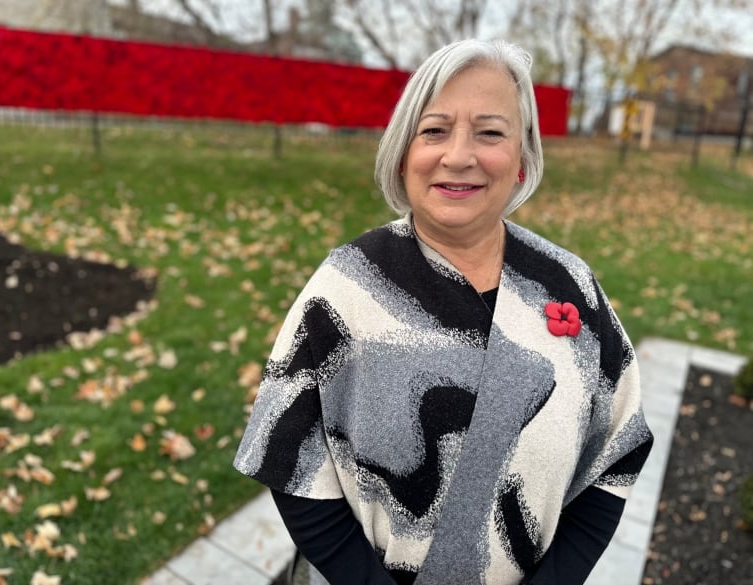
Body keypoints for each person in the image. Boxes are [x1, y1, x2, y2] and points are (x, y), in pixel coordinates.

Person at [233, 38, 653, 585]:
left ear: (523, 159)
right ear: (403, 153)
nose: (459, 156)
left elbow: (615, 455)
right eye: (434, 130)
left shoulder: (568, 285)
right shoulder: (346, 287)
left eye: (490, 132)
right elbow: (292, 462)